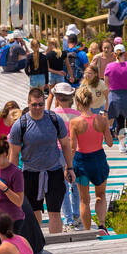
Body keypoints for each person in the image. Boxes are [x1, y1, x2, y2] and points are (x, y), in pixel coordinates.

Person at [9, 87, 73, 235]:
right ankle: (38, 241)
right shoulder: (20, 125)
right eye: (34, 105)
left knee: (55, 212)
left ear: (45, 104)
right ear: (28, 103)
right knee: (34, 212)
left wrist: (70, 168)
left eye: (40, 104)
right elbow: (14, 155)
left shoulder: (54, 119)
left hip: (54, 171)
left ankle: (56, 242)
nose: (37, 108)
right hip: (30, 174)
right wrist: (13, 180)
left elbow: (65, 145)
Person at [0, 137, 44, 254]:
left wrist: (5, 188)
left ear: (4, 155)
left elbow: (19, 201)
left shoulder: (15, 173)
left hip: (12, 220)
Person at [70, 89, 113, 230]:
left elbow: (72, 147)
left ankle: (88, 231)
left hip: (81, 161)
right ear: (92, 101)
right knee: (100, 194)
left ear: (77, 103)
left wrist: (68, 167)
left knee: (84, 200)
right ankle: (102, 224)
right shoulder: (101, 120)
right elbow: (110, 142)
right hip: (98, 159)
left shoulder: (74, 122)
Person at [51, 82, 83, 230]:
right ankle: (77, 215)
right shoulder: (77, 114)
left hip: (58, 151)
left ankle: (68, 218)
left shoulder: (52, 115)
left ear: (56, 96)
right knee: (75, 184)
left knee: (62, 185)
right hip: (75, 150)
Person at [104, 44, 127, 149]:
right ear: (125, 53)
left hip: (115, 96)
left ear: (114, 54)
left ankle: (122, 145)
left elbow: (106, 84)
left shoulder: (109, 67)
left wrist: (109, 96)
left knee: (119, 121)